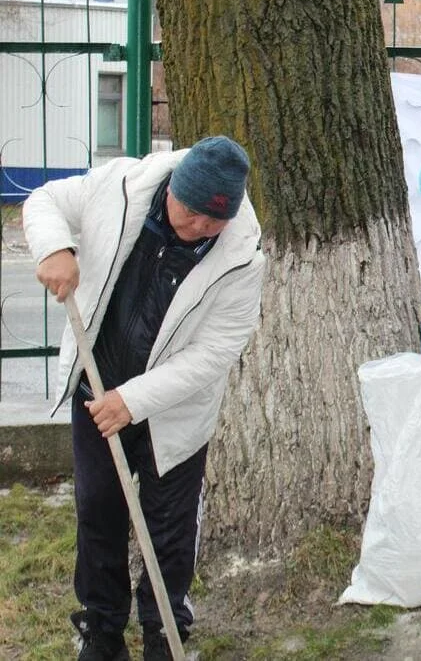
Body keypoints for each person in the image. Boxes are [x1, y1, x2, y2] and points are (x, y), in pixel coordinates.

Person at [23, 136, 266, 661]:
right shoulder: (120, 187)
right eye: (192, 213)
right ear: (175, 188)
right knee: (98, 511)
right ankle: (102, 627)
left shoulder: (243, 257)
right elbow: (43, 201)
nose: (199, 228)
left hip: (174, 412)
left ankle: (164, 630)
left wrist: (133, 400)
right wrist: (55, 248)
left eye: (213, 222)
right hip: (97, 388)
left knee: (169, 527)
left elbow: (215, 352)